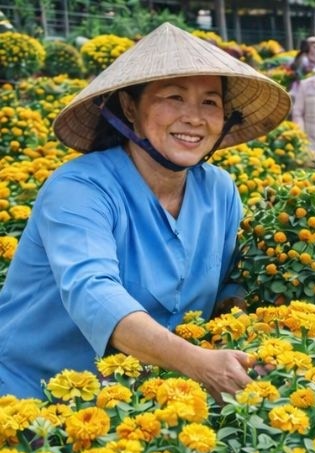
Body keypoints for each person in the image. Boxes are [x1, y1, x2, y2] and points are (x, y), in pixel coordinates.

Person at [0, 23, 290, 399]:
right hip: (33, 400)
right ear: (129, 107)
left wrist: (240, 326)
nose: (194, 117)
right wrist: (198, 362)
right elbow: (94, 293)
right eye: (173, 97)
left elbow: (228, 282)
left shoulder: (219, 191)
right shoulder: (79, 189)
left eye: (210, 102)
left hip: (141, 405)